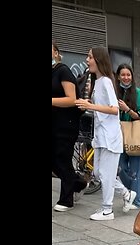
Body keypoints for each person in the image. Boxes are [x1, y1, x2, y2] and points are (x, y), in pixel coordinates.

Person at [74, 47, 137, 221]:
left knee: (106, 174)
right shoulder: (99, 81)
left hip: (110, 137)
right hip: (101, 135)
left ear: (99, 59)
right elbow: (102, 109)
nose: (87, 60)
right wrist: (88, 103)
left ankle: (107, 209)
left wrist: (90, 106)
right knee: (98, 173)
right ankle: (126, 193)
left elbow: (113, 109)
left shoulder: (107, 82)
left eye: (90, 57)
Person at [52, 41, 88, 212]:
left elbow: (71, 98)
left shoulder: (63, 70)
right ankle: (78, 182)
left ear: (56, 52)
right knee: (55, 161)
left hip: (66, 124)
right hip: (54, 124)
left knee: (62, 159)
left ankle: (66, 200)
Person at [114, 64, 140, 213]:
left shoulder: (138, 92)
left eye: (128, 75)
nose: (126, 78)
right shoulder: (115, 92)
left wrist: (127, 110)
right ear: (118, 76)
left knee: (136, 170)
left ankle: (138, 200)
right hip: (118, 135)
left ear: (132, 77)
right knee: (120, 168)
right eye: (123, 75)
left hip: (135, 135)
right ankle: (132, 194)